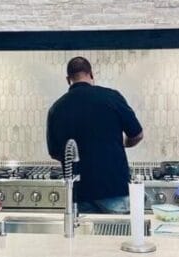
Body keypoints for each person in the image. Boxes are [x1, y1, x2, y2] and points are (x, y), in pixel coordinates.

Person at [46, 57, 144, 214]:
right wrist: (122, 144)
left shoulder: (56, 108)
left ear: (67, 79)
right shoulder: (112, 97)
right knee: (116, 236)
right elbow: (137, 134)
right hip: (114, 188)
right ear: (91, 74)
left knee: (85, 238)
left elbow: (55, 152)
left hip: (80, 193)